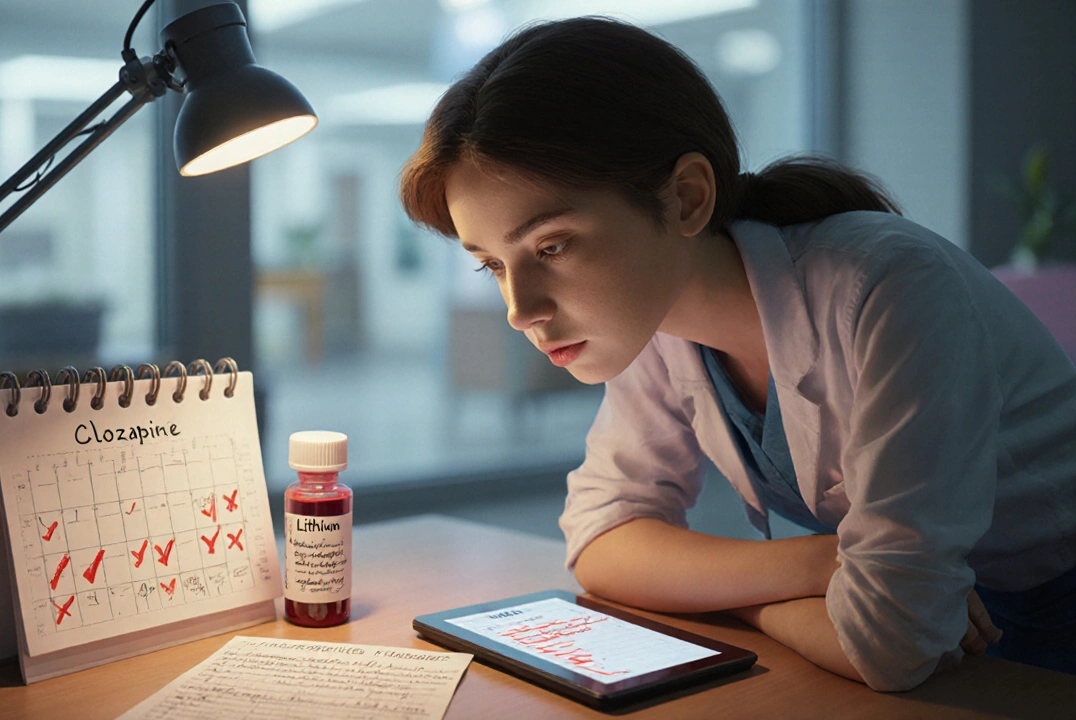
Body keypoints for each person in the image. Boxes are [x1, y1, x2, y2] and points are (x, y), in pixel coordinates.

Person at [398, 17, 1076, 691]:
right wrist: (818, 567)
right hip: (941, 627)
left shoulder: (888, 289)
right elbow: (602, 544)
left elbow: (889, 641)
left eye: (552, 246)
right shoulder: (654, 324)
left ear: (686, 198)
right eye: (493, 264)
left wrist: (725, 595)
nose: (520, 310)